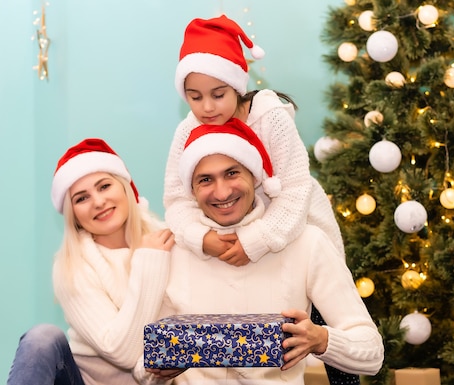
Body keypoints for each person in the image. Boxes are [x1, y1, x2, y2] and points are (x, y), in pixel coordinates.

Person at [164, 15, 357, 385]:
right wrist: (200, 238)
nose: (206, 107)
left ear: (237, 84)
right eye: (194, 97)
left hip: (295, 232)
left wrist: (256, 241)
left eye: (218, 94)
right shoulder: (187, 128)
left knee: (325, 331)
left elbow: (297, 189)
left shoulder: (270, 118)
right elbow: (176, 198)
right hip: (238, 245)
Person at [137, 119, 384, 384]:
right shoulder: (172, 251)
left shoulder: (307, 243)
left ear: (254, 176)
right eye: (205, 180)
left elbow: (372, 354)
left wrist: (321, 339)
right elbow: (140, 369)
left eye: (232, 173)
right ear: (192, 191)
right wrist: (160, 369)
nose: (221, 192)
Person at [7, 138, 175, 385]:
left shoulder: (167, 241)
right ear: (73, 213)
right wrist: (148, 263)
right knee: (42, 337)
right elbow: (122, 353)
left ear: (125, 187)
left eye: (104, 186)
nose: (98, 202)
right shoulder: (71, 267)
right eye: (81, 198)